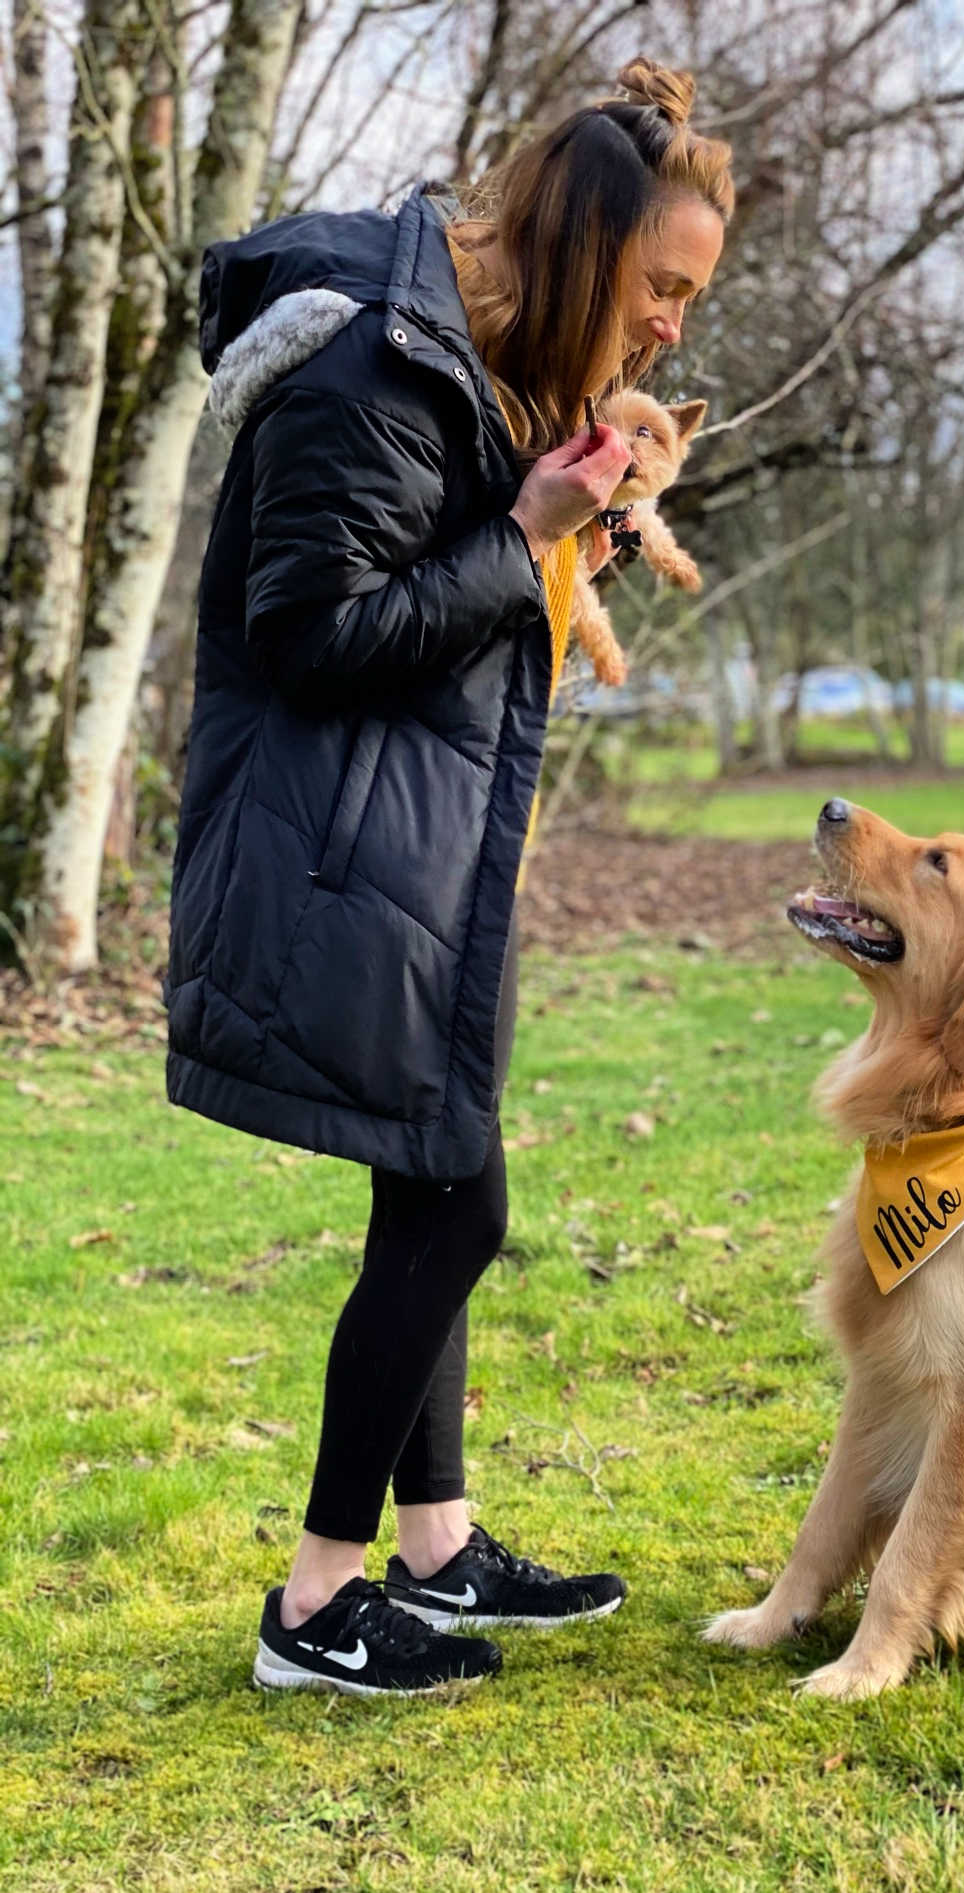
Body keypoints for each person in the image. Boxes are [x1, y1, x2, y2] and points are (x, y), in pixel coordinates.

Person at [165, 59, 731, 1695]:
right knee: (456, 1201)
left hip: (417, 858)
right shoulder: (373, 367)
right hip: (338, 857)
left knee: (431, 1183)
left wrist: (554, 534)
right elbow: (310, 634)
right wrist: (523, 537)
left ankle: (436, 1549)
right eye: (663, 288)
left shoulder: (480, 375)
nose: (675, 328)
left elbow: (454, 588)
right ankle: (313, 1604)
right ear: (580, 245)